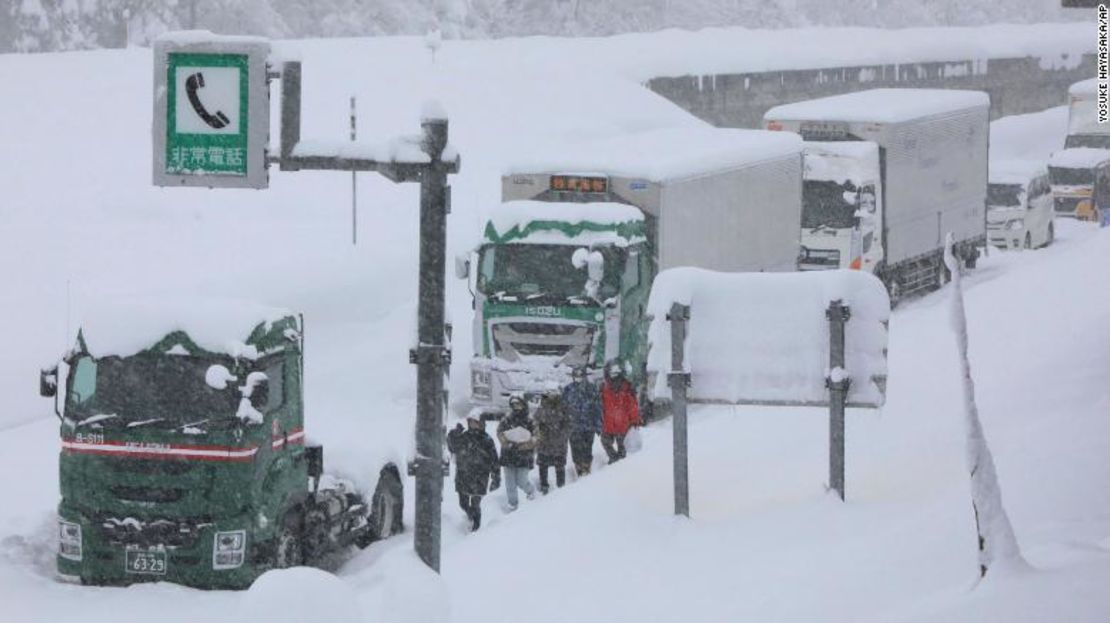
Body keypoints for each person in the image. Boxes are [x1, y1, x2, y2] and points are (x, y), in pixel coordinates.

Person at [446, 412, 500, 531]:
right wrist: (453, 434)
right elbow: (452, 447)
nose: (473, 424)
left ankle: (476, 527)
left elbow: (494, 459)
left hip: (480, 476)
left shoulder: (487, 439)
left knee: (476, 504)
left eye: (475, 422)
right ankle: (470, 516)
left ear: (481, 423)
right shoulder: (463, 437)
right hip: (463, 474)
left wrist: (496, 476)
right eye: (470, 422)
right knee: (463, 504)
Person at [496, 394, 538, 511]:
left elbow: (535, 437)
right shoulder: (507, 418)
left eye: (518, 404)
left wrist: (524, 446)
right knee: (510, 484)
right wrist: (507, 443)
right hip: (508, 455)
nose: (516, 407)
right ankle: (512, 505)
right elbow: (499, 432)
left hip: (523, 456)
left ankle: (531, 491)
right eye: (514, 404)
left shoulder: (530, 419)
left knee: (521, 480)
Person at [562, 365, 601, 476]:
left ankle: (587, 468)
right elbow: (563, 408)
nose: (578, 377)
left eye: (580, 375)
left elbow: (598, 407)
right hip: (573, 426)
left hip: (588, 426)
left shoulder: (592, 389)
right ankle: (579, 468)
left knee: (587, 448)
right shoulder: (568, 389)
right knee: (575, 449)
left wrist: (598, 425)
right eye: (576, 376)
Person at [600, 359, 642, 464]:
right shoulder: (604, 388)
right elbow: (600, 405)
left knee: (621, 447)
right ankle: (615, 460)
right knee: (606, 442)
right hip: (610, 423)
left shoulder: (626, 388)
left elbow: (632, 406)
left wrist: (635, 421)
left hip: (622, 424)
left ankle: (619, 465)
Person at [534, 382, 571, 494]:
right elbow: (535, 423)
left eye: (553, 393)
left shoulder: (563, 406)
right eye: (549, 393)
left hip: (559, 444)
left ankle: (561, 489)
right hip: (544, 444)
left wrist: (562, 436)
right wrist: (539, 434)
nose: (551, 395)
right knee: (542, 466)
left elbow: (569, 424)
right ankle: (544, 487)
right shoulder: (541, 407)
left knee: (560, 467)